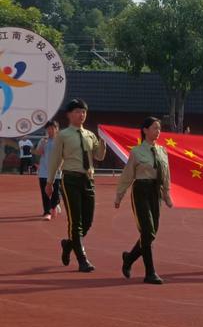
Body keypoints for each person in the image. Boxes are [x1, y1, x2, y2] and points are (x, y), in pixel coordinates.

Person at [47, 98, 106, 272]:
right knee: (75, 221)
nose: (82, 115)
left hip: (88, 179)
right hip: (70, 179)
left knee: (87, 221)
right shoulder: (63, 135)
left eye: (84, 112)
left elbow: (99, 157)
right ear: (69, 115)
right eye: (78, 111)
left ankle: (68, 245)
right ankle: (82, 259)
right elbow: (56, 159)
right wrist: (50, 182)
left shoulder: (90, 135)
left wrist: (103, 144)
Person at [115, 117, 173, 284]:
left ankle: (129, 258)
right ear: (145, 130)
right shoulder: (137, 152)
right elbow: (127, 175)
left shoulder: (163, 151)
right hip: (141, 190)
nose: (158, 131)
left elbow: (166, 174)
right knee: (147, 231)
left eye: (159, 128)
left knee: (152, 233)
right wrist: (119, 196)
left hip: (155, 192)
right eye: (154, 128)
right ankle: (150, 272)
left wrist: (166, 194)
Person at [33, 121, 62, 220]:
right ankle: (47, 212)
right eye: (48, 128)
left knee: (55, 192)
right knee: (45, 192)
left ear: (57, 129)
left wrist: (60, 166)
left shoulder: (60, 140)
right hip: (44, 171)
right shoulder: (43, 140)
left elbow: (64, 155)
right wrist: (42, 145)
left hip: (56, 171)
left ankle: (54, 206)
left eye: (52, 128)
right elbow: (38, 152)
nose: (50, 130)